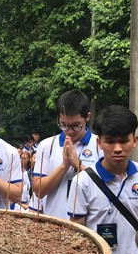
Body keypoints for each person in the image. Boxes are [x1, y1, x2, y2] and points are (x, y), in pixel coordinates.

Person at [67, 105, 138, 254]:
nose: (117, 148)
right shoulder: (82, 182)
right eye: (110, 141)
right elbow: (77, 236)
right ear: (99, 142)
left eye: (124, 140)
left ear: (135, 140)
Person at [31, 90, 100, 219]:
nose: (69, 131)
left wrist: (78, 166)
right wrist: (64, 166)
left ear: (87, 117)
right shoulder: (48, 146)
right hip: (55, 224)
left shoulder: (99, 145)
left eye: (76, 126)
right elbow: (38, 191)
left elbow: (107, 188)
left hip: (90, 226)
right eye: (64, 125)